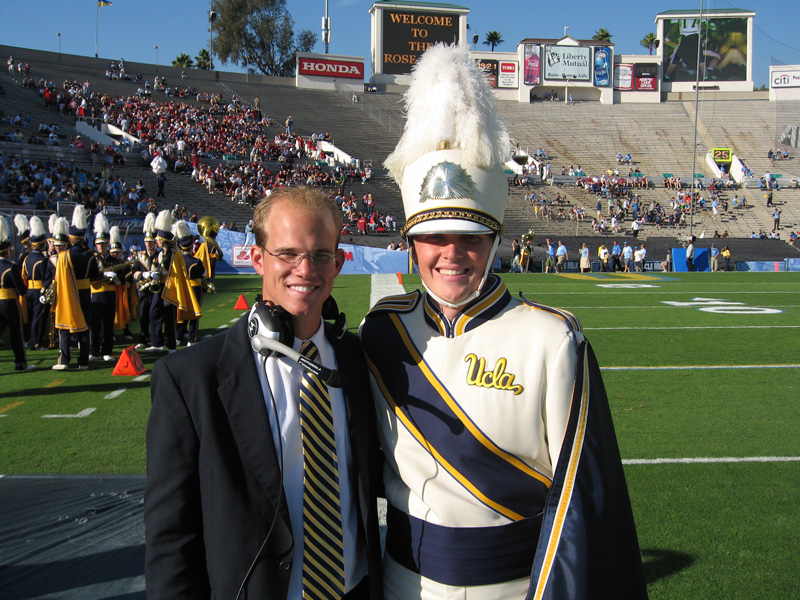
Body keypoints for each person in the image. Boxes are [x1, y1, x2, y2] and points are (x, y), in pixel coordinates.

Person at [360, 43, 646, 600]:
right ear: (410, 243)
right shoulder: (381, 331)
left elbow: (583, 497)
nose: (451, 253)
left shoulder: (553, 339)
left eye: (470, 239)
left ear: (494, 241)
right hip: (400, 584)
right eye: (433, 238)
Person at [145, 186, 383, 600]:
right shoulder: (189, 379)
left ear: (339, 262)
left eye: (320, 254)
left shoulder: (359, 361)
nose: (305, 269)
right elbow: (170, 538)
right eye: (287, 253)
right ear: (258, 259)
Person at [0, 217, 35, 371]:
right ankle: (20, 363)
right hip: (10, 303)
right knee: (16, 334)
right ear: (7, 251)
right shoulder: (10, 267)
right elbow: (22, 290)